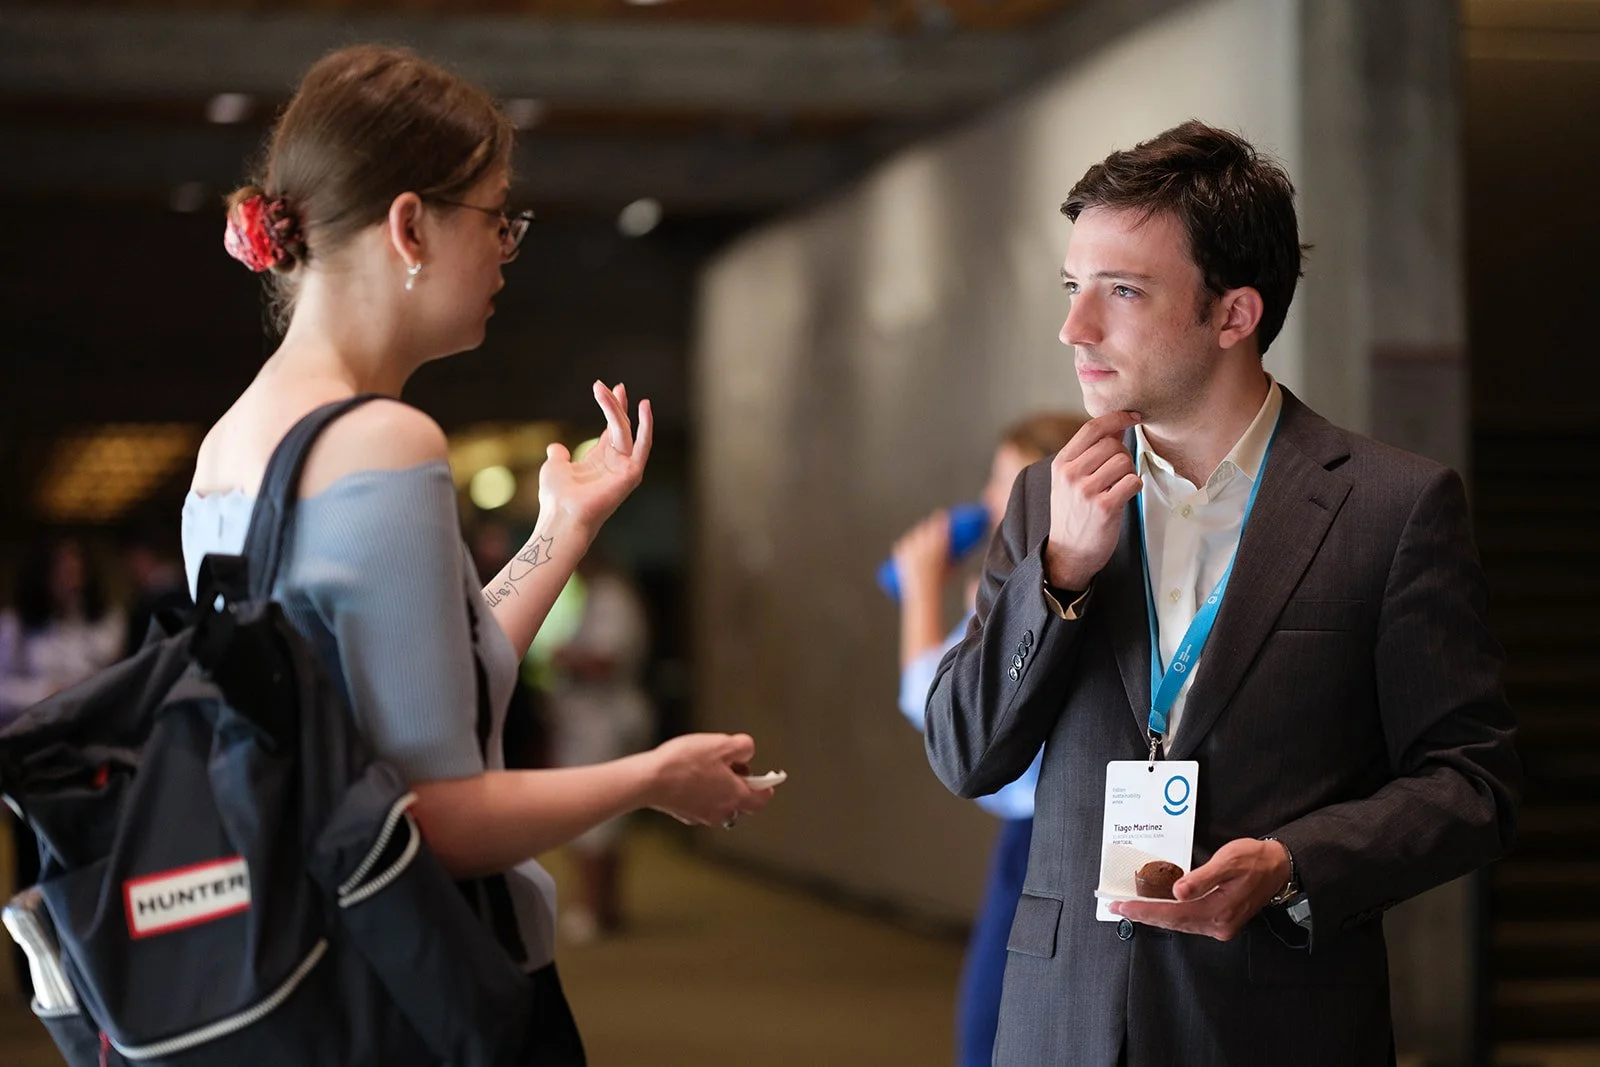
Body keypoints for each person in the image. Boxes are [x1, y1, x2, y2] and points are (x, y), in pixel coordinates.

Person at [184, 44, 774, 1060]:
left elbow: (418, 705)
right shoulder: (381, 441)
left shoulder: (233, 440)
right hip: (426, 986)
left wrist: (563, 528)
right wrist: (647, 777)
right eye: (497, 215)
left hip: (301, 974)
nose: (508, 246)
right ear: (410, 225)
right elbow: (436, 817)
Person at [922, 121, 1520, 1066]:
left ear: (1234, 313)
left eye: (1121, 292)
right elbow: (965, 753)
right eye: (1074, 288)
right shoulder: (1050, 497)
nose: (1075, 328)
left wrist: (1294, 864)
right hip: (1060, 1024)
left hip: (1273, 1023)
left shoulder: (1393, 506)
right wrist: (1061, 575)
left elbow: (1472, 785)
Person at [889, 412, 1082, 1067]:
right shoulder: (1016, 580)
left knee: (992, 1032)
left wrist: (919, 589)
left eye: (1006, 480)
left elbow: (937, 704)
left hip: (1045, 835)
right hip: (1034, 832)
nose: (989, 499)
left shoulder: (1047, 583)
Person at [544, 554, 654, 942]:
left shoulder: (610, 597)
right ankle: (606, 905)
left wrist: (563, 657)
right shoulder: (594, 596)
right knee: (608, 815)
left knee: (592, 815)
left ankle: (588, 907)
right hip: (592, 718)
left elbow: (606, 660)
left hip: (603, 720)